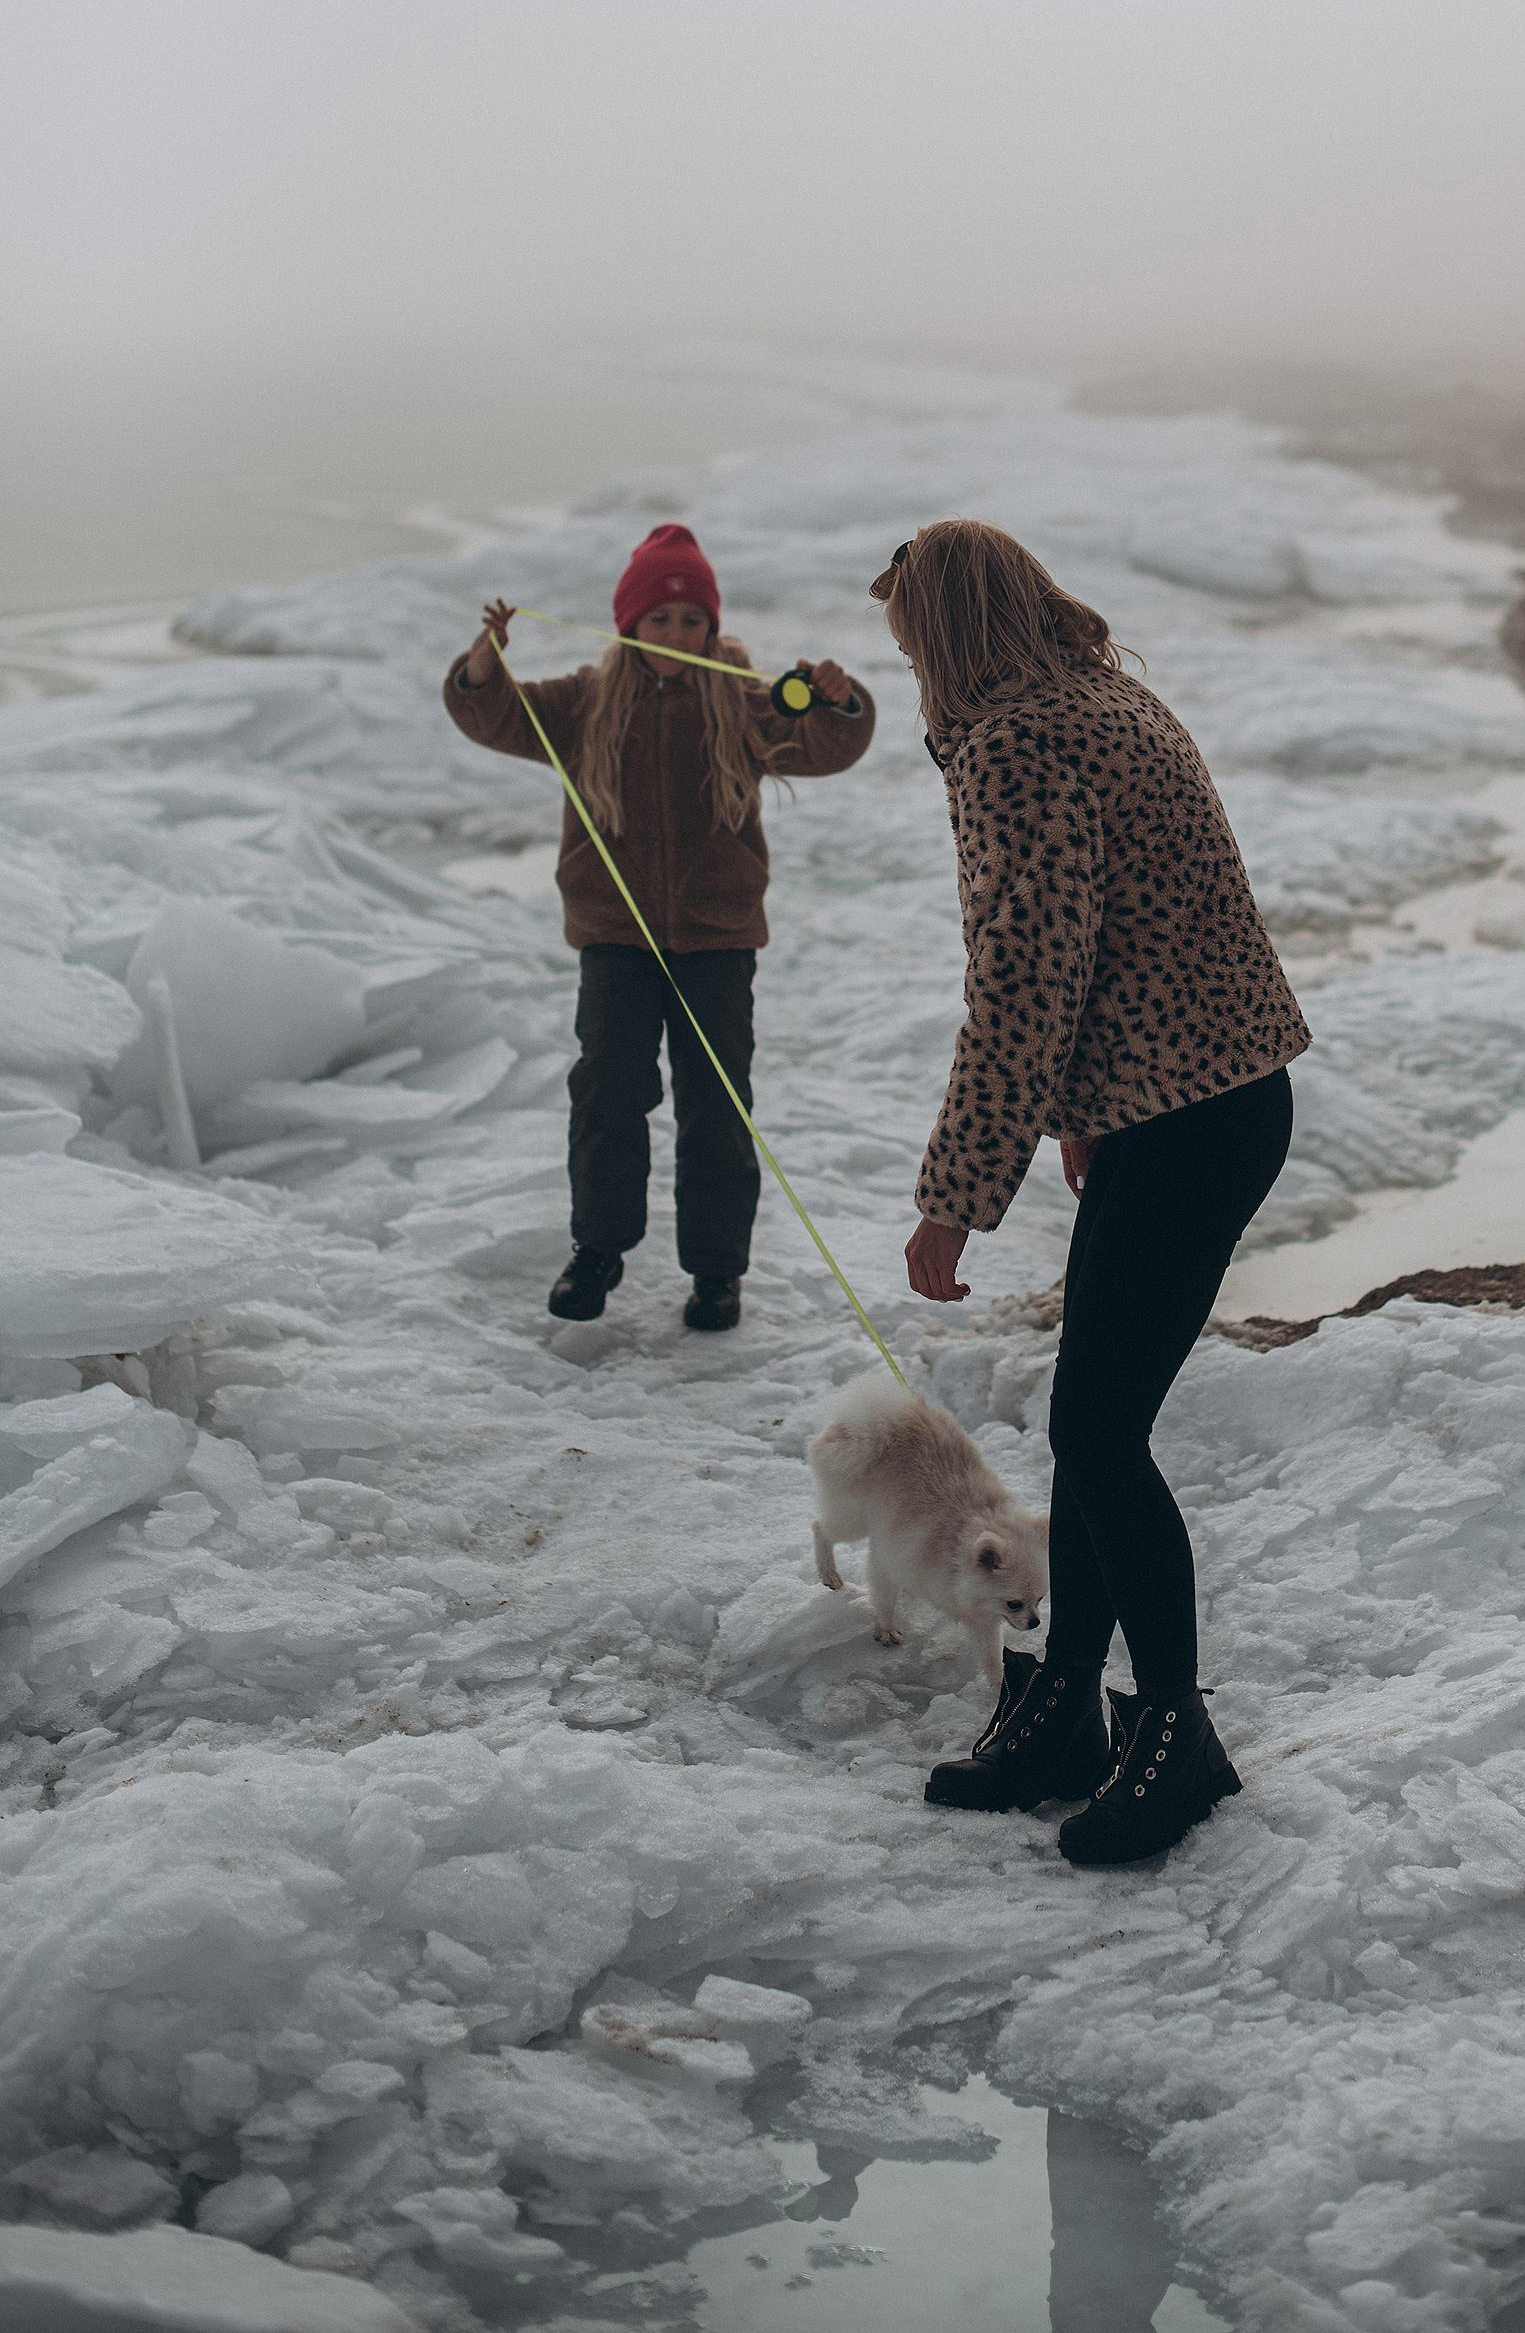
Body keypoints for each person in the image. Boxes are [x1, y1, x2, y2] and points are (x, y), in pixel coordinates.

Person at [878, 520, 1309, 1868]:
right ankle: (1066, 1708)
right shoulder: (1107, 694)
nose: (911, 675)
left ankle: (1175, 1735)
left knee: (1101, 1434)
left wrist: (957, 1193)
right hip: (1205, 1097)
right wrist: (1089, 1112)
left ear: (945, 636)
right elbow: (1145, 920)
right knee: (1090, 1424)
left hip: (1189, 1116)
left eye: (912, 646)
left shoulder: (1019, 743)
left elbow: (1027, 979)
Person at [445, 522, 873, 1347]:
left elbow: (827, 745)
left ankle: (718, 1271)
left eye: (692, 620)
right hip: (616, 939)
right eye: (660, 619)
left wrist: (837, 698)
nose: (677, 635)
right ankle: (596, 1251)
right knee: (609, 1093)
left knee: (716, 1106)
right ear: (629, 625)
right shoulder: (583, 700)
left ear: (711, 628)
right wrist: (481, 667)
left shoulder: (746, 699)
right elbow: (497, 717)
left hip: (718, 942)